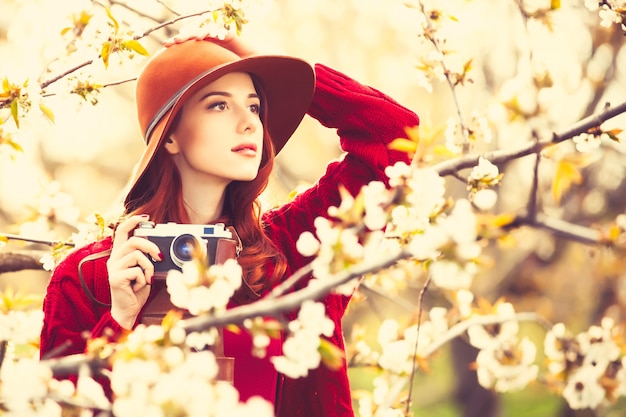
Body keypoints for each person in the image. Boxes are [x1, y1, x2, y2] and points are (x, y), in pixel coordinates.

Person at [39, 32, 419, 416]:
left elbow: (394, 135)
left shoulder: (294, 246)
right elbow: (64, 409)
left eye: (254, 107)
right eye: (219, 105)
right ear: (169, 135)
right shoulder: (90, 275)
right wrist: (118, 320)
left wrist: (284, 67)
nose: (248, 123)